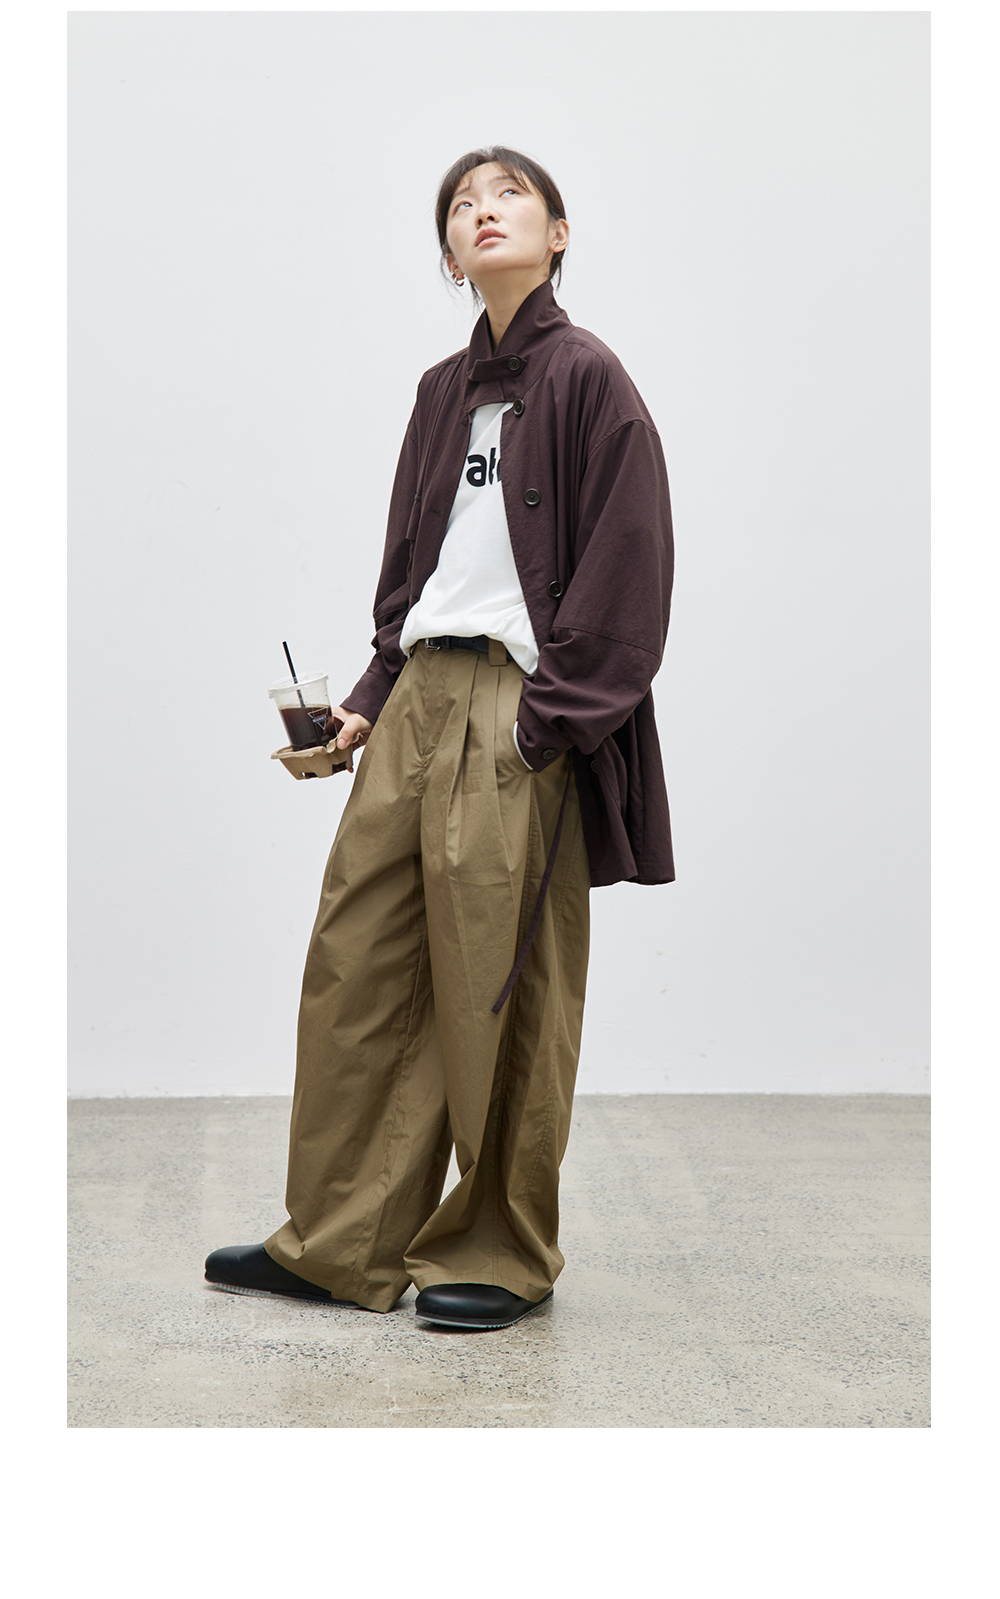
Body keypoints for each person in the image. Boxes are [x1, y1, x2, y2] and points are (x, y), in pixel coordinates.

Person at [205, 145, 675, 1330]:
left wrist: (548, 725)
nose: (481, 211)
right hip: (417, 701)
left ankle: (501, 1253)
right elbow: (415, 571)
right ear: (450, 256)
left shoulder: (590, 378)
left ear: (558, 233)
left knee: (499, 986)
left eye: (508, 194)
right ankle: (339, 1243)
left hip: (518, 705)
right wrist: (369, 697)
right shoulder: (439, 391)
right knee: (358, 965)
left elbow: (630, 571)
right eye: (461, 205)